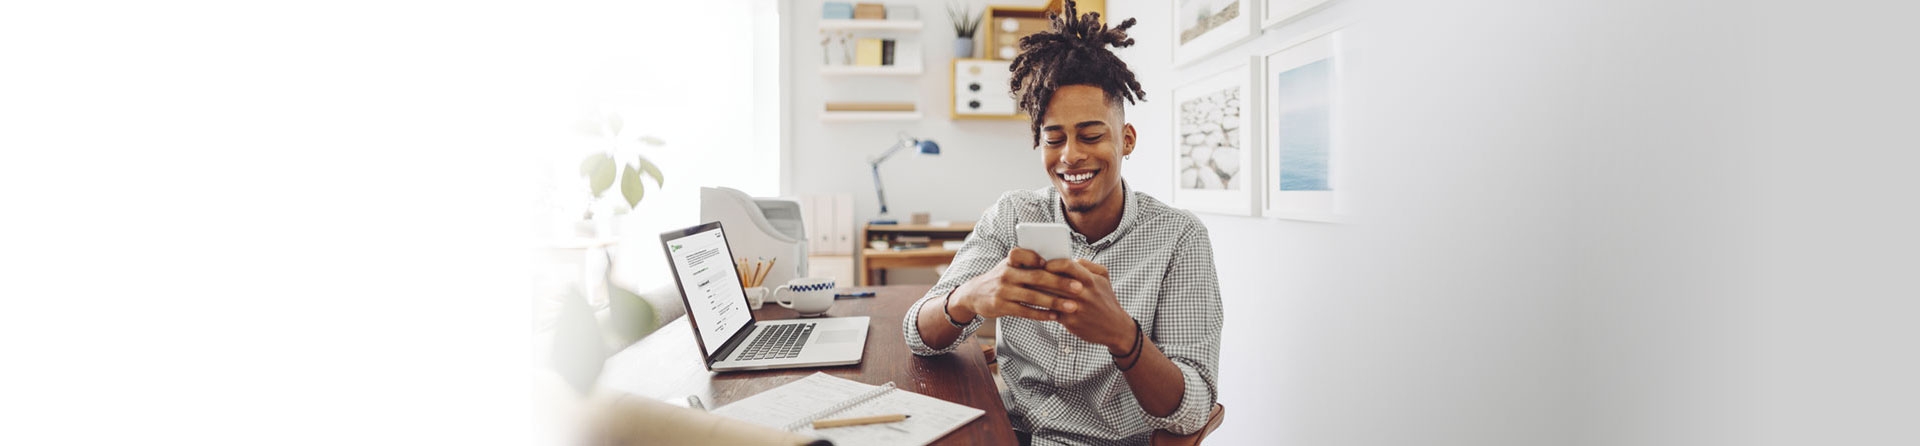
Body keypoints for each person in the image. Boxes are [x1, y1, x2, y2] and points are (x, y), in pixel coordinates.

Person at [901, 2, 1223, 444]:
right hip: (1007, 434)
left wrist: (1122, 336)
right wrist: (970, 296)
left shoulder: (1178, 239)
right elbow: (917, 334)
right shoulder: (1012, 215)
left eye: (1091, 135)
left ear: (1126, 140)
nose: (1071, 155)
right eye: (1054, 139)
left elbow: (1194, 411)